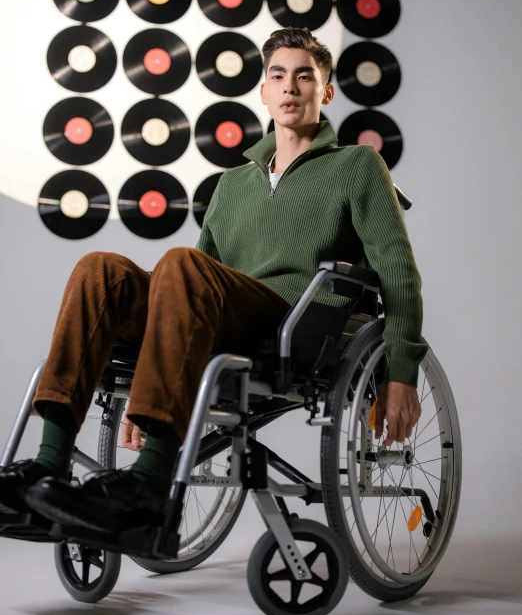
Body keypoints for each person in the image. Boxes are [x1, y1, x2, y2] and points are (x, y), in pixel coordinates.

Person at [0, 27, 426, 533]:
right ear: (263, 92)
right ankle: (46, 467)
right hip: (217, 313)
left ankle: (149, 487)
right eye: (278, 76)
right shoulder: (233, 183)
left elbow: (397, 270)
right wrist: (148, 388)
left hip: (292, 319)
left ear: (326, 92)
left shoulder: (357, 165)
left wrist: (401, 372)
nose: (290, 87)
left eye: (305, 76)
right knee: (100, 271)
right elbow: (185, 286)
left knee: (181, 264)